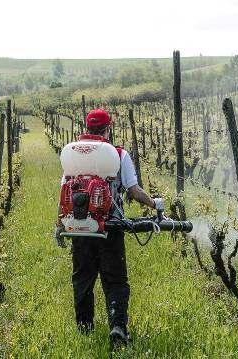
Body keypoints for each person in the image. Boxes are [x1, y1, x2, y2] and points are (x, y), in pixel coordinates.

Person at [54, 109, 157, 345]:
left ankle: (84, 330)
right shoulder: (118, 154)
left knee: (82, 279)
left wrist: (59, 225)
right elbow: (133, 190)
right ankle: (118, 327)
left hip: (80, 229)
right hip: (110, 227)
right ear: (108, 129)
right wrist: (154, 204)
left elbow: (64, 194)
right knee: (115, 281)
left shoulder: (72, 154)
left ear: (86, 128)